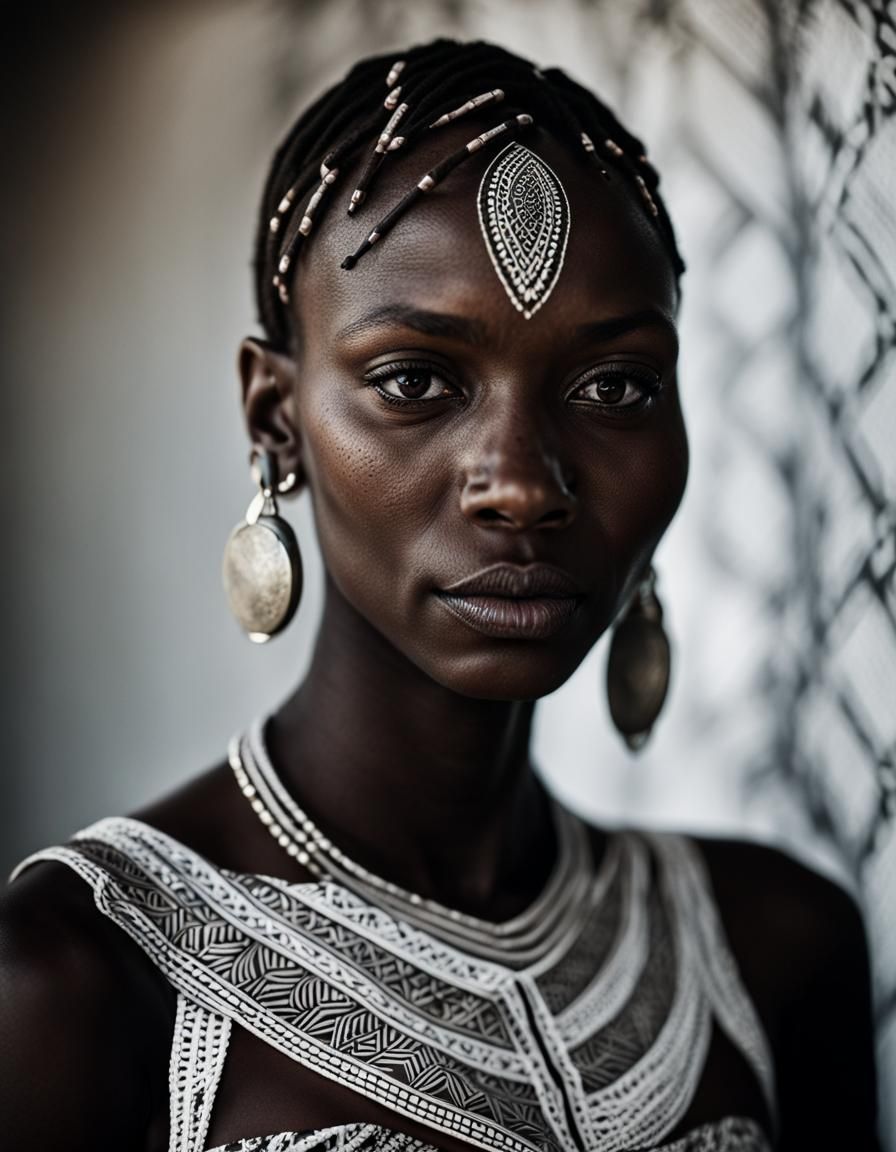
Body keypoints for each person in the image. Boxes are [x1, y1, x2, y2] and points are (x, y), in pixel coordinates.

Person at [0, 38, 881, 1152]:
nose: (520, 483)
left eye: (612, 387)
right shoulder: (83, 981)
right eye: (415, 381)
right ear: (276, 418)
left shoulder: (774, 952)